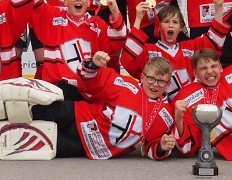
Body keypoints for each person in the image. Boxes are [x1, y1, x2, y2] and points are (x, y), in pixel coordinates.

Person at [31, 51, 176, 160]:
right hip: (78, 116)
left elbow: (150, 147)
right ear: (142, 77)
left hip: (92, 147)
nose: (155, 85)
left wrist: (161, 148)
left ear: (168, 84)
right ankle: (21, 111)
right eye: (151, 79)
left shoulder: (166, 115)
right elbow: (88, 82)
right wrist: (93, 65)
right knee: (41, 111)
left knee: (43, 144)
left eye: (161, 81)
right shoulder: (126, 85)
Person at [27, 0, 127, 99]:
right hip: (59, 89)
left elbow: (119, 41)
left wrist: (115, 11)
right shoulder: (53, 16)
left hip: (88, 88)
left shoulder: (97, 24)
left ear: (88, 2)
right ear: (65, 1)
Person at [121, 0, 230, 100]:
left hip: (191, 103)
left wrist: (219, 8)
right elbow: (127, 61)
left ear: (181, 27)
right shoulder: (148, 50)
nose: (171, 25)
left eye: (175, 22)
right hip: (161, 107)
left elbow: (214, 41)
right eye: (166, 21)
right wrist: (138, 19)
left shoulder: (190, 47)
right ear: (158, 26)